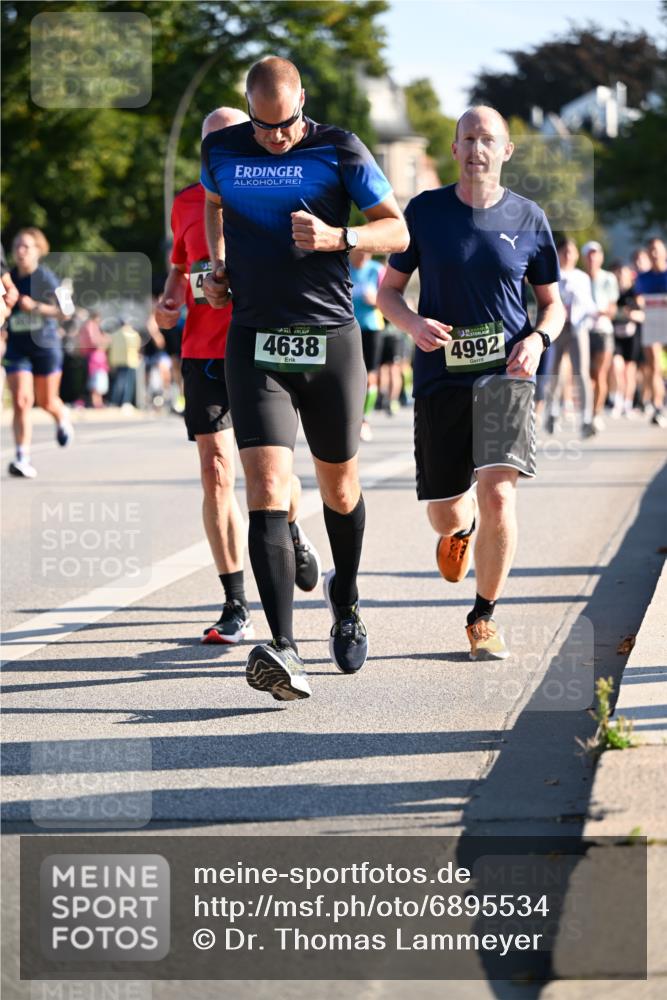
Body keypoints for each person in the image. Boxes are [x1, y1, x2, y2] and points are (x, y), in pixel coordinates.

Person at [201, 56, 409, 700]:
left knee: (339, 489)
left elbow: (398, 230)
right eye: (264, 128)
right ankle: (284, 648)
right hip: (255, 340)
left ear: (301, 104)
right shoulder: (220, 149)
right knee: (264, 485)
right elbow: (212, 201)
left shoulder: (339, 148)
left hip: (330, 342)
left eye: (286, 125)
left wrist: (337, 236)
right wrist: (217, 266)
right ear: (247, 107)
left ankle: (345, 600)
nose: (276, 138)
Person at [378, 105, 565, 661]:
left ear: (506, 150)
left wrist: (537, 340)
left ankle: (483, 615)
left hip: (505, 377)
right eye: (468, 139)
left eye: (488, 139)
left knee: (499, 490)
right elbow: (387, 292)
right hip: (441, 376)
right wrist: (411, 323)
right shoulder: (426, 212)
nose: (478, 148)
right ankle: (459, 532)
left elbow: (552, 305)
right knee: (446, 510)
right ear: (455, 149)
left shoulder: (529, 218)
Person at [156, 105, 321, 646]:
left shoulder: (274, 188)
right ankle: (234, 601)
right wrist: (170, 299)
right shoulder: (186, 203)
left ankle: (288, 526)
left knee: (270, 479)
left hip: (259, 344)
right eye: (209, 141)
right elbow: (181, 268)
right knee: (215, 472)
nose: (218, 147)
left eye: (227, 137)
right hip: (203, 350)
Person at [4, 228, 73, 479]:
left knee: (46, 402)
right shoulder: (8, 278)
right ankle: (22, 458)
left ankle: (61, 415)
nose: (20, 252)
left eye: (26, 247)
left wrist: (36, 307)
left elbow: (67, 310)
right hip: (17, 346)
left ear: (38, 251)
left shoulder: (47, 277)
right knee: (22, 400)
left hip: (45, 345)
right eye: (17, 247)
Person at [544, 238, 597, 437]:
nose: (568, 255)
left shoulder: (582, 277)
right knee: (555, 371)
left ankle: (586, 418)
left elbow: (590, 304)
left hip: (577, 327)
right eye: (564, 251)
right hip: (558, 327)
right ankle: (552, 413)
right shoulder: (554, 275)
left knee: (581, 371)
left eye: (571, 252)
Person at [581, 241, 619, 432]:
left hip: (603, 330)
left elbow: (613, 307)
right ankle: (587, 413)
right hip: (584, 331)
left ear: (601, 257)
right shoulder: (579, 278)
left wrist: (603, 312)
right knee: (588, 376)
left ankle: (596, 414)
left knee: (600, 373)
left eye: (595, 254)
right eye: (589, 254)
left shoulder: (608, 278)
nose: (592, 258)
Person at [349, 248, 385, 442]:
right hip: (348, 328)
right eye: (360, 252)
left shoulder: (377, 270)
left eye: (368, 253)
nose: (364, 256)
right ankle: (351, 418)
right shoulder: (344, 268)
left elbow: (391, 297)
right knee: (351, 375)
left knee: (370, 375)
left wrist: (376, 301)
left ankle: (364, 419)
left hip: (372, 326)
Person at [634, 237, 667, 428]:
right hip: (651, 324)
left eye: (657, 249)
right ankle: (658, 407)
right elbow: (638, 298)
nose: (654, 253)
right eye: (651, 250)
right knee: (654, 366)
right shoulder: (643, 277)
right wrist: (638, 305)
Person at [611, 263, 644, 419]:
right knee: (617, 368)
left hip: (632, 336)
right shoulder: (613, 293)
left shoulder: (635, 293)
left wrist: (630, 314)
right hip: (616, 336)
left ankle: (628, 404)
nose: (622, 277)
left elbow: (642, 314)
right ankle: (617, 401)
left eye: (624, 274)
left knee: (629, 372)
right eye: (619, 274)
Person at [109, 319, 141, 407]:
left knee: (118, 382)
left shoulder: (114, 334)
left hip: (117, 361)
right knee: (128, 383)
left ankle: (115, 401)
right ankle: (125, 402)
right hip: (130, 361)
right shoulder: (132, 333)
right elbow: (137, 346)